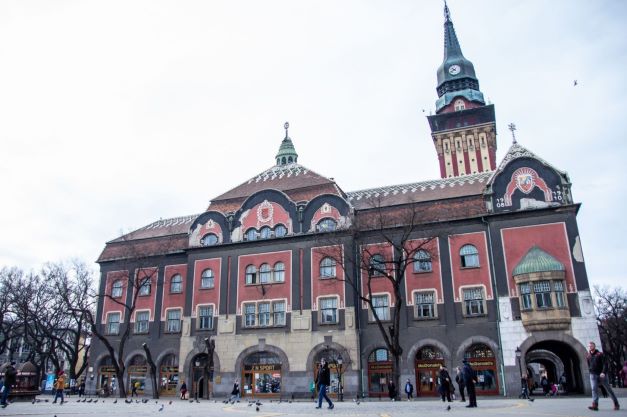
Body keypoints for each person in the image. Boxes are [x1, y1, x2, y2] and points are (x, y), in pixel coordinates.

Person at [587, 341, 619, 411]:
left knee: (608, 389)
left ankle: (616, 404)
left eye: (591, 346)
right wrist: (590, 371)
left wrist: (603, 372)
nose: (590, 347)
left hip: (601, 374)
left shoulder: (600, 354)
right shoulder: (588, 355)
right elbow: (589, 365)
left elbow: (605, 364)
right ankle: (595, 405)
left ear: (594, 346)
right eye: (589, 346)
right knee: (594, 389)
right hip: (593, 374)